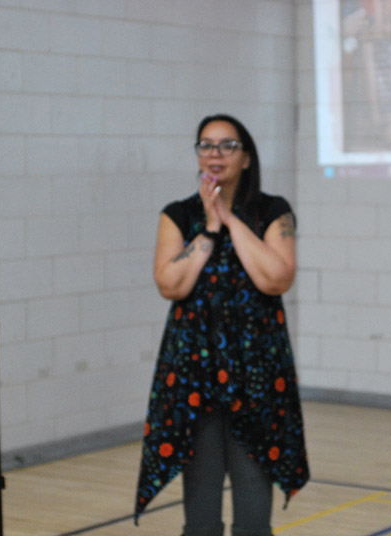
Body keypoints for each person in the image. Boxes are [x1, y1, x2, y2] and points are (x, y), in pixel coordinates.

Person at [135, 114, 309, 536]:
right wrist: (210, 230)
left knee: (253, 513)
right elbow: (170, 284)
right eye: (206, 145)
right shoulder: (178, 215)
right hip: (195, 376)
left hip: (257, 376)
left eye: (227, 145)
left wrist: (230, 219)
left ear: (246, 157)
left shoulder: (273, 212)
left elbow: (276, 278)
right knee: (200, 514)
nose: (215, 154)